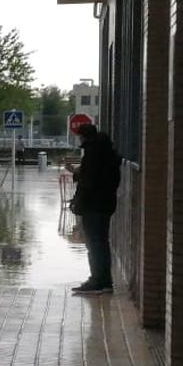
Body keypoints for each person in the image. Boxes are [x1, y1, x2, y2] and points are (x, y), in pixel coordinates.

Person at [68, 122, 121, 295]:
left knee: (94, 243)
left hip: (94, 206)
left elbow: (89, 181)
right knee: (101, 243)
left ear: (84, 136)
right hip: (105, 204)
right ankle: (103, 280)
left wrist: (78, 200)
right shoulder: (107, 153)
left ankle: (98, 280)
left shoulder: (93, 154)